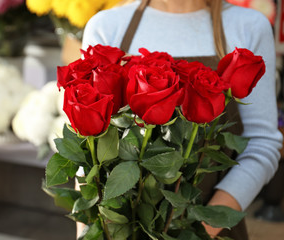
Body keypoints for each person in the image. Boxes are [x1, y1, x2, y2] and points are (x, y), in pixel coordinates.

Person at [78, 0, 283, 239]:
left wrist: (201, 230)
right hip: (117, 230)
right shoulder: (107, 26)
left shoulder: (248, 26)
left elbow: (262, 144)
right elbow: (87, 150)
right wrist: (87, 232)